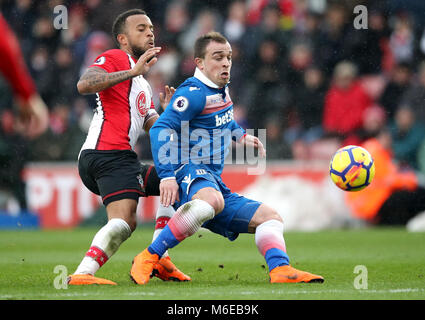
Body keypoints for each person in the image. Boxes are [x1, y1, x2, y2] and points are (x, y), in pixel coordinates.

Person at [130, 31, 324, 285]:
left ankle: (280, 270)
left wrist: (240, 135)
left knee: (271, 218)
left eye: (229, 58)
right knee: (212, 199)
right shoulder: (193, 93)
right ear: (199, 62)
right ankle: (148, 256)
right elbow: (159, 129)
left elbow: (222, 118)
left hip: (212, 180)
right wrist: (167, 176)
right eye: (217, 57)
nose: (225, 63)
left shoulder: (221, 90)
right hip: (188, 172)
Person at [67, 9, 189, 286]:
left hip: (123, 158)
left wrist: (169, 115)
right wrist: (131, 71)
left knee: (179, 180)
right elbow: (84, 84)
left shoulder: (143, 84)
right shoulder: (114, 57)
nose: (149, 33)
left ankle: (160, 257)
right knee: (125, 222)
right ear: (123, 38)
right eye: (141, 28)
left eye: (151, 29)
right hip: (104, 153)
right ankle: (82, 274)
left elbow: (154, 127)